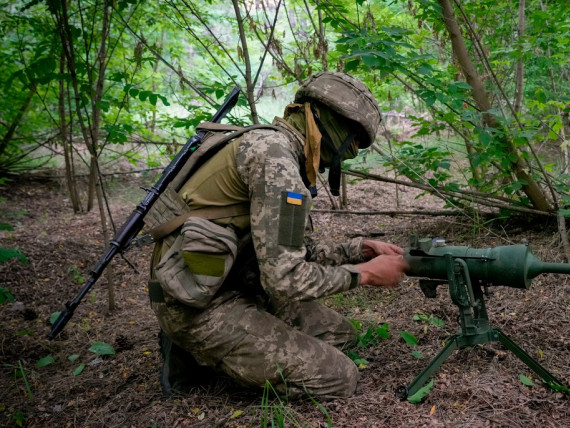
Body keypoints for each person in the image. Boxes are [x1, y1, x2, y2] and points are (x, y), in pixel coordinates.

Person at [147, 72, 409, 399]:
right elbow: (286, 280)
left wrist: (359, 249)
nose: (352, 150)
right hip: (197, 305)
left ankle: (227, 342)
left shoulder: (276, 148)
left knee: (341, 335)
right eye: (352, 138)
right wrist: (366, 275)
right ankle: (193, 351)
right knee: (339, 377)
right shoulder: (275, 162)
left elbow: (295, 248)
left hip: (231, 282)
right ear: (329, 122)